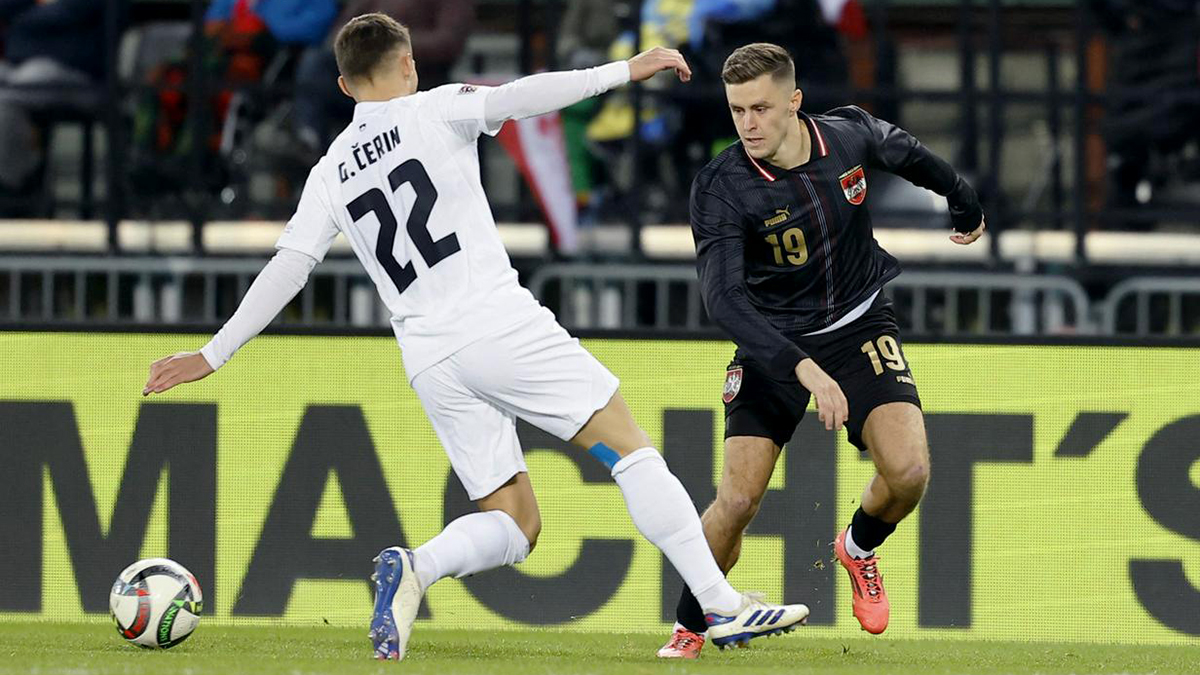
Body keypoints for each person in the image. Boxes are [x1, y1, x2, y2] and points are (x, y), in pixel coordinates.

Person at [142, 14, 810, 661]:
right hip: (495, 324)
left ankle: (417, 566)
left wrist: (212, 352)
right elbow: (521, 96)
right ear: (408, 64)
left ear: (343, 86)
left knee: (516, 521)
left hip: (429, 358)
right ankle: (718, 602)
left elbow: (289, 267)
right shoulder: (436, 108)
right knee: (629, 448)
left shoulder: (330, 171)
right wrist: (623, 71)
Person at [656, 42, 986, 659]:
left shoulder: (848, 136)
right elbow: (723, 301)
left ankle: (857, 548)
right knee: (738, 499)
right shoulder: (722, 187)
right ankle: (690, 627)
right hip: (773, 343)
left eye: (760, 108)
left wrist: (963, 198)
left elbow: (908, 153)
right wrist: (802, 367)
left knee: (909, 473)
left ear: (795, 102)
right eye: (737, 111)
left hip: (859, 325)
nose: (748, 124)